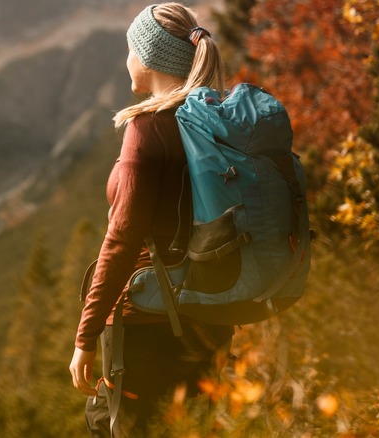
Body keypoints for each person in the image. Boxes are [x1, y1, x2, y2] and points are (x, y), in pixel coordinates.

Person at [68, 3, 234, 436]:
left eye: (129, 49)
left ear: (150, 56)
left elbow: (122, 239)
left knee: (116, 425)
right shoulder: (216, 119)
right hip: (211, 314)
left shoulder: (148, 129)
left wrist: (85, 338)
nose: (126, 60)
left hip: (147, 324)